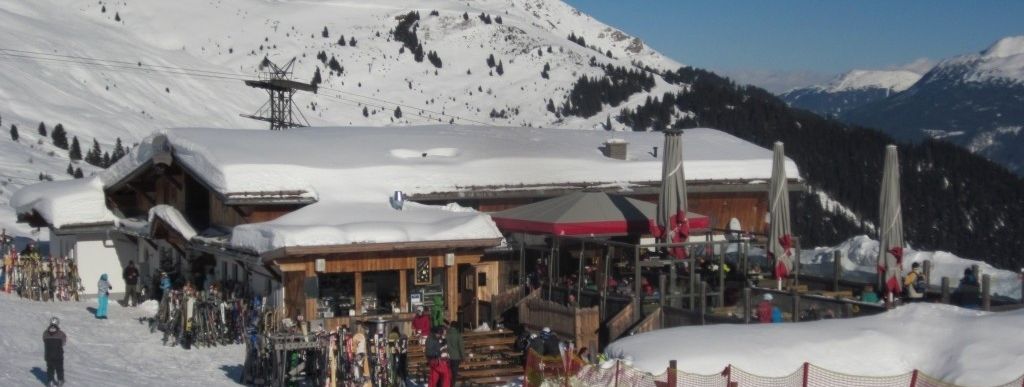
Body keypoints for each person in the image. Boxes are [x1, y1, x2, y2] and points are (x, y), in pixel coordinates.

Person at [43, 317, 67, 386]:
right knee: (59, 368)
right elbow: (63, 342)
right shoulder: (61, 333)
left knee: (50, 368)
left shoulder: (45, 333)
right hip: (58, 354)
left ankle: (50, 381)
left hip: (48, 354)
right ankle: (60, 380)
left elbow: (44, 340)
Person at [446, 320, 464, 386]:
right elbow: (461, 347)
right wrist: (463, 357)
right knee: (454, 373)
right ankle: (452, 385)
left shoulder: (446, 334)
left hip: (447, 357)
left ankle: (447, 384)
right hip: (456, 357)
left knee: (447, 372)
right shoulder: (458, 335)